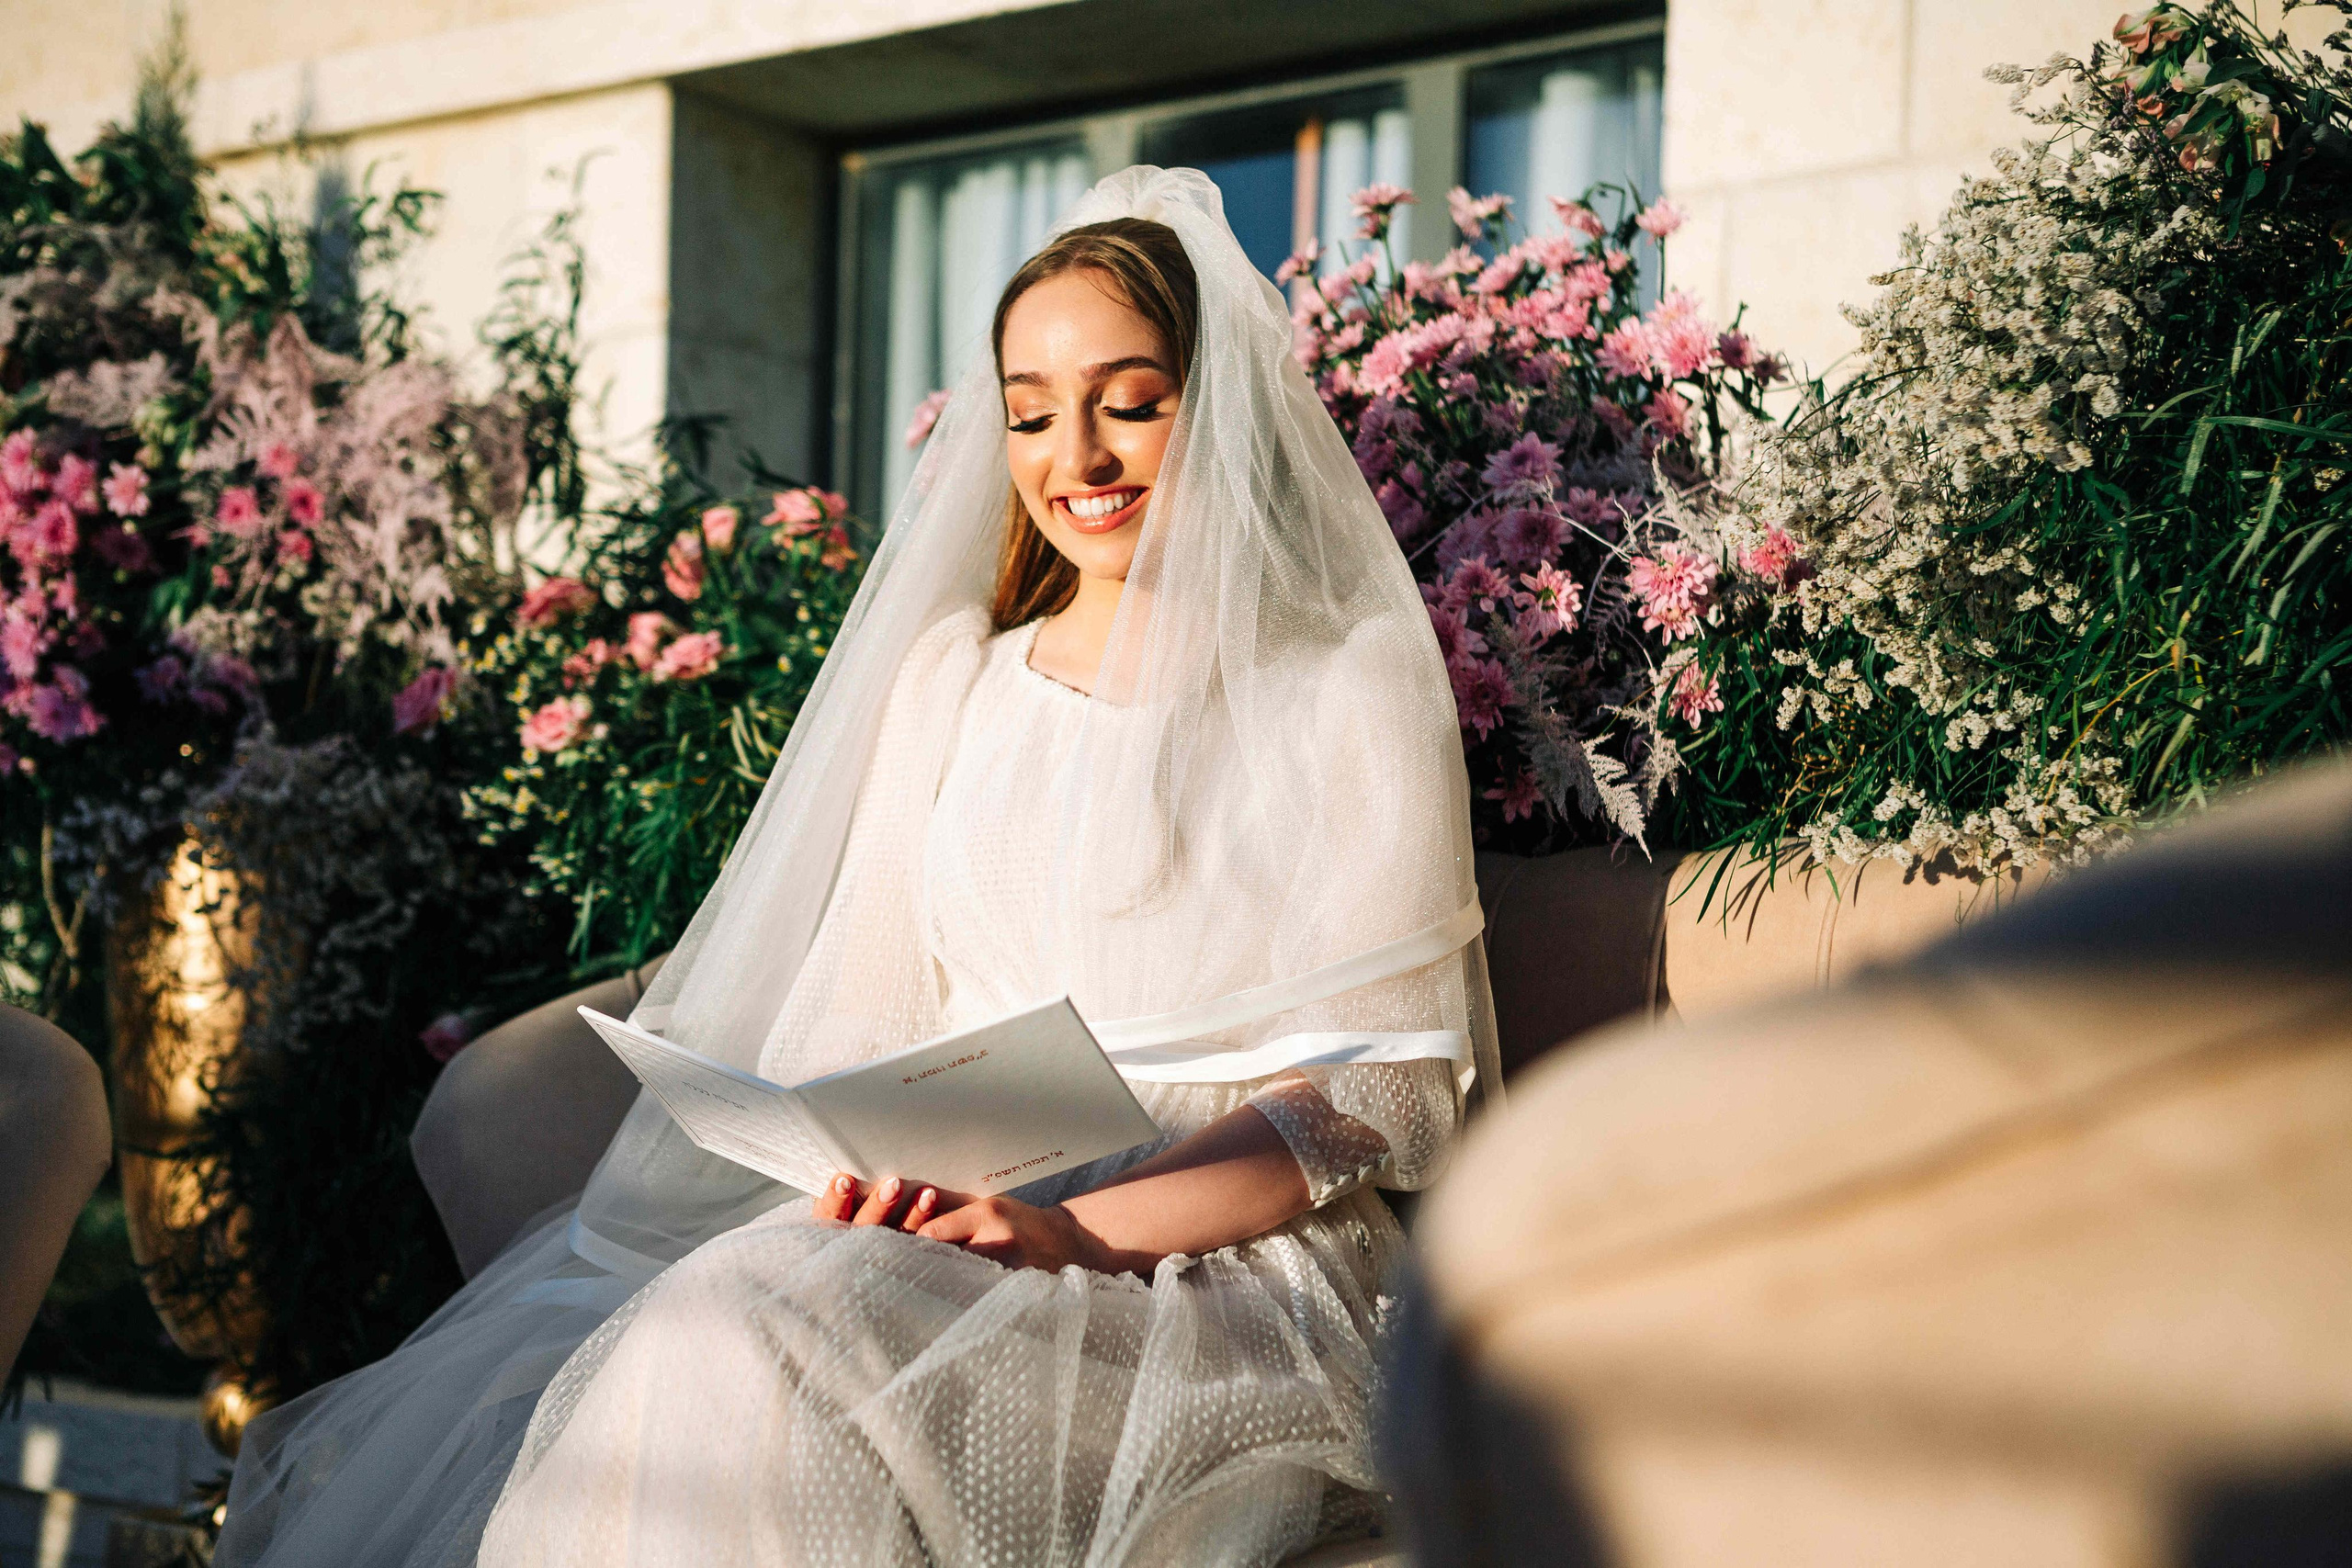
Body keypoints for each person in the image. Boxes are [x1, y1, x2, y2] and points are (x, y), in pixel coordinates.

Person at [219, 166, 1498, 1568]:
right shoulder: (953, 685)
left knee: (757, 1336)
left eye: (1130, 400)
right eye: (1029, 412)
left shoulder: (1345, 687)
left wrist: (1066, 1231)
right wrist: (860, 1175)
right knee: (716, 1319)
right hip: (948, 1227)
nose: (1077, 453)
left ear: (1222, 404)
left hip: (1219, 1270)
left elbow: (1376, 1096)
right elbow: (871, 1021)